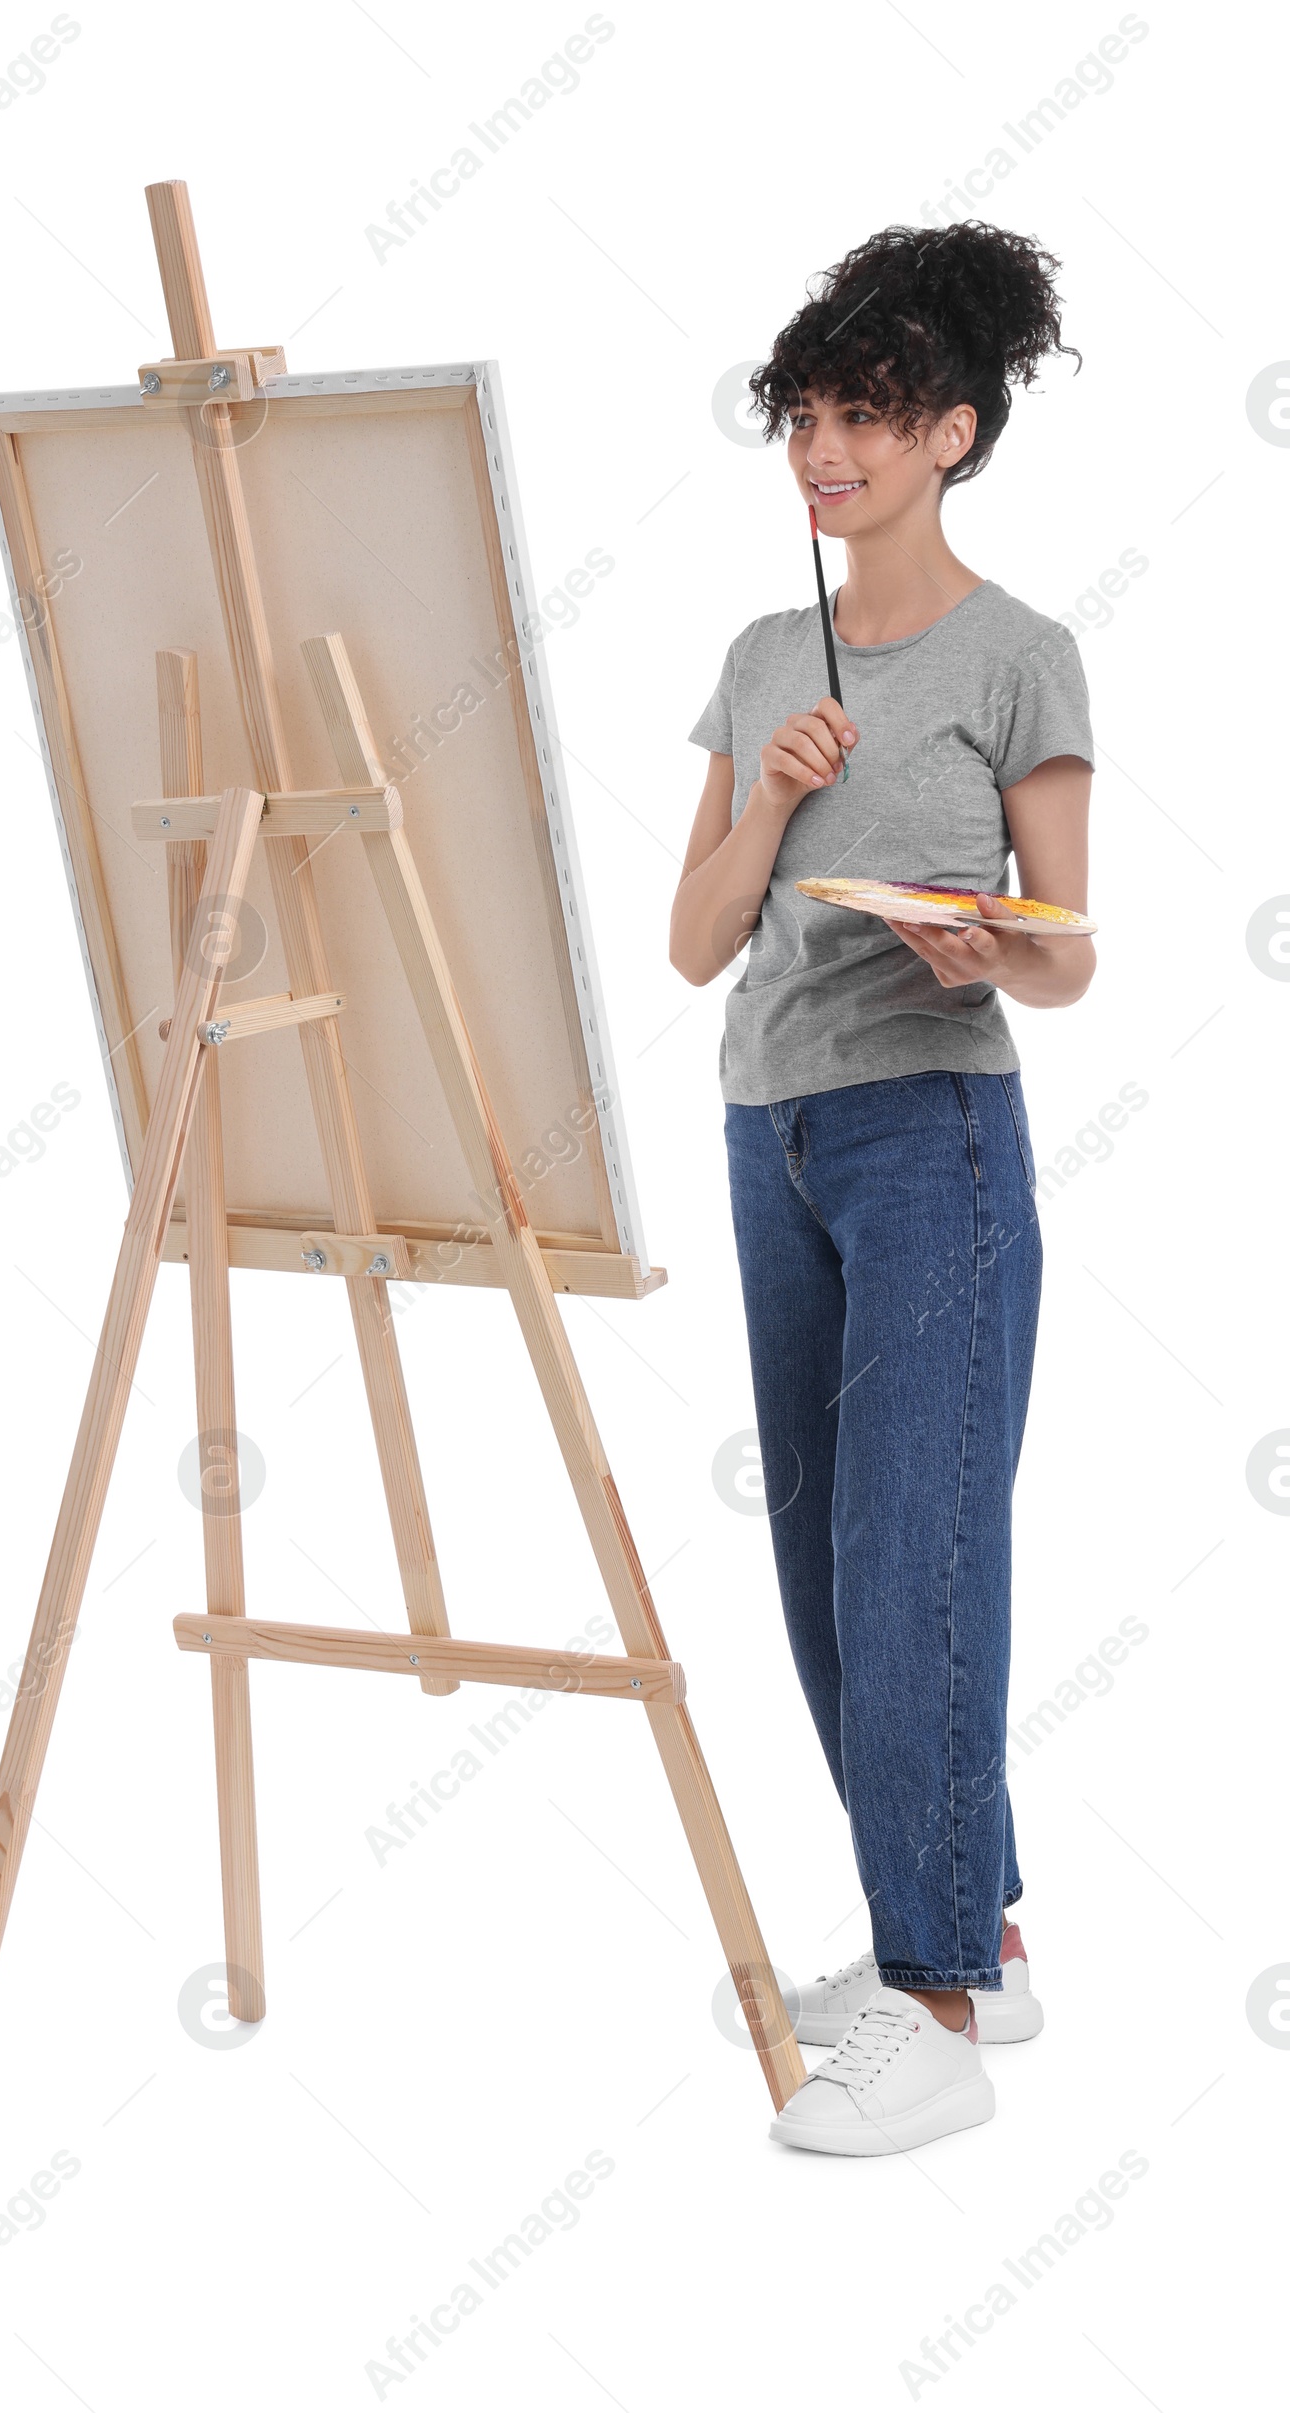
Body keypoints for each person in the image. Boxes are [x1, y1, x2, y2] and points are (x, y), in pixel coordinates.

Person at [670, 221, 1096, 2156]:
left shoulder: (1021, 655)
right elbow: (694, 941)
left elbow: (1069, 950)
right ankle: (970, 1935)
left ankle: (924, 1994)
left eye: (863, 415)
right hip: (775, 1129)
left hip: (937, 1128)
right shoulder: (767, 656)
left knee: (917, 1543)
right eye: (806, 417)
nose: (823, 450)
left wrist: (983, 947)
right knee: (825, 1558)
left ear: (953, 429)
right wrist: (769, 794)